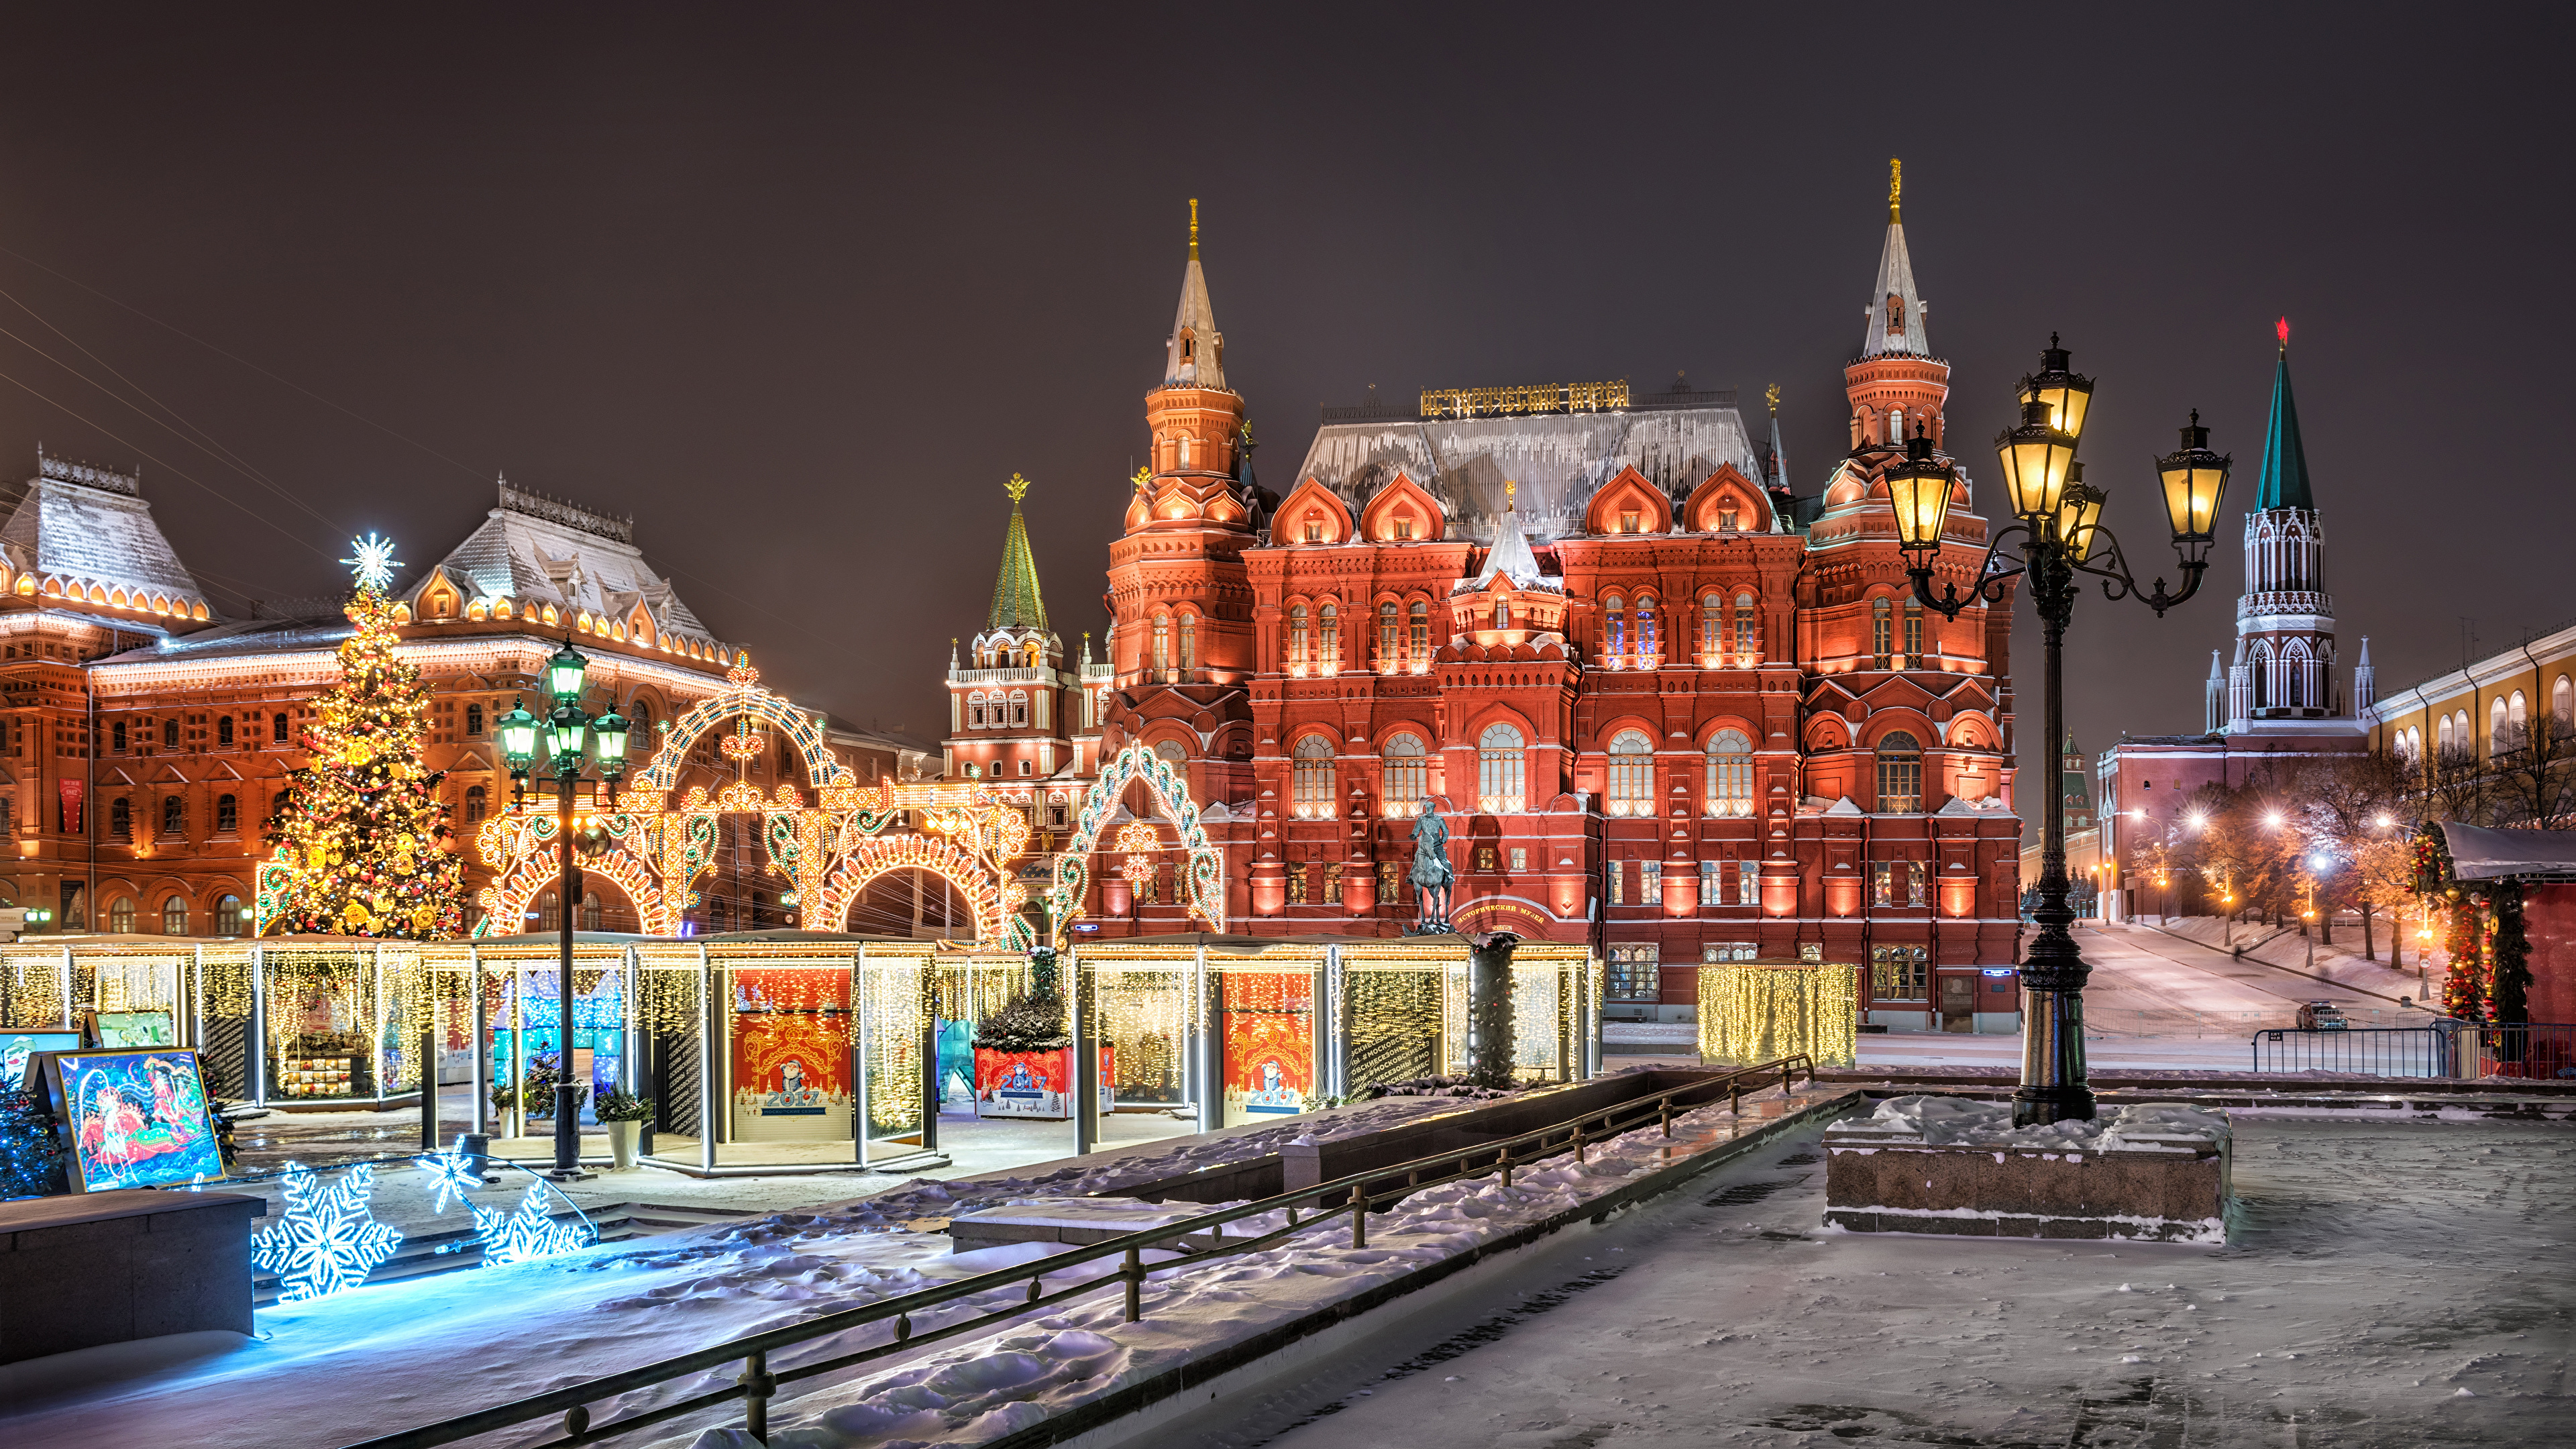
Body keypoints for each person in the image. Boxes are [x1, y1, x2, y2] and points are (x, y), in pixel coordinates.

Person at [1409, 806, 1454, 931]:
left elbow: (1446, 831)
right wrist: (1413, 835)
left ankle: (1448, 875)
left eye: (1430, 808)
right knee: (1417, 860)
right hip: (1424, 844)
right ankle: (1411, 876)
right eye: (1427, 808)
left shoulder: (1439, 819)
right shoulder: (1421, 820)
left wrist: (1443, 840)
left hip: (1437, 844)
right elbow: (1416, 830)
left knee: (1444, 861)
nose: (1428, 810)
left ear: (1433, 809)